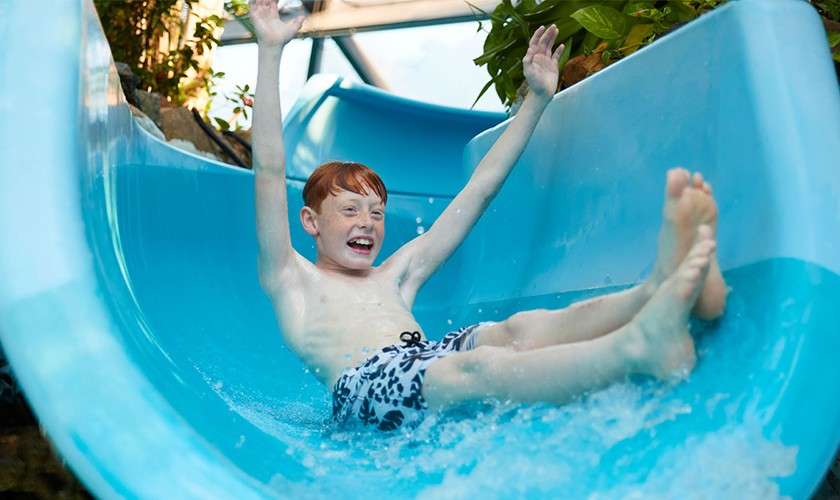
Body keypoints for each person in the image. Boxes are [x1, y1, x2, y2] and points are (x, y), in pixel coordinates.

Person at [248, 0, 728, 431]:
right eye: (350, 210)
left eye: (376, 213)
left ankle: (656, 291)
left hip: (426, 359)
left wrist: (536, 103)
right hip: (365, 390)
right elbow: (269, 170)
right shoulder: (291, 277)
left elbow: (477, 192)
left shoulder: (395, 276)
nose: (368, 223)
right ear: (311, 222)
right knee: (473, 369)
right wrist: (270, 50)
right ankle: (637, 347)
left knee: (514, 331)